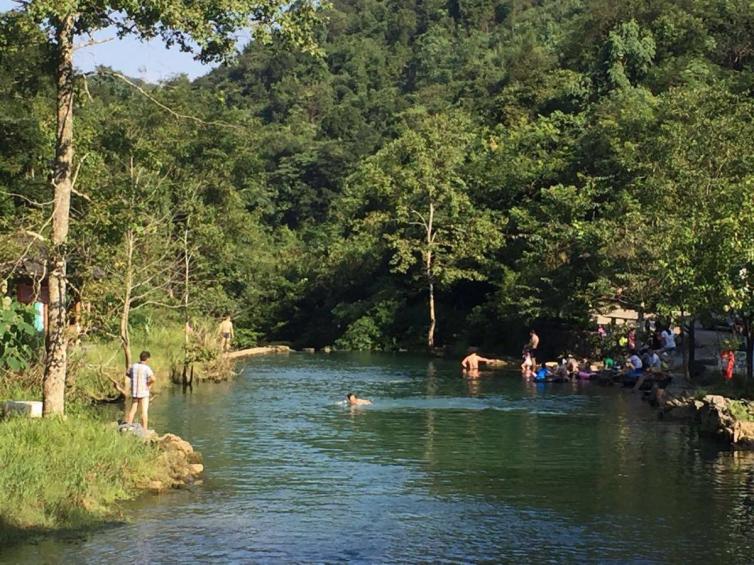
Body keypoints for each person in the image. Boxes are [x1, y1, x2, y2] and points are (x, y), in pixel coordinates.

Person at [125, 351, 155, 430]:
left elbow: (127, 374)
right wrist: (148, 384)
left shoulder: (133, 366)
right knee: (144, 411)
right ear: (147, 359)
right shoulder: (146, 368)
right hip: (144, 392)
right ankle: (145, 430)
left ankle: (128, 426)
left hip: (135, 391)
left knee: (133, 409)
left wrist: (133, 378)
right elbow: (153, 379)